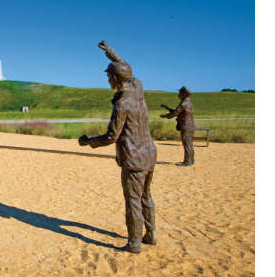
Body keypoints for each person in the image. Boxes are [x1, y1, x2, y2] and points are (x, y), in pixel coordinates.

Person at [78, 41, 157, 254]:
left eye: (108, 76)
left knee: (133, 200)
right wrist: (111, 52)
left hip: (134, 158)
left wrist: (89, 141)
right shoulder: (137, 87)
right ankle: (150, 234)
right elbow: (126, 66)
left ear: (115, 78)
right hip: (149, 153)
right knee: (146, 196)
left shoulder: (122, 104)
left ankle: (134, 243)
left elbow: (111, 136)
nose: (107, 79)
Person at [160, 86, 195, 166]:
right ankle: (191, 160)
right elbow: (178, 112)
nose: (178, 95)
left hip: (186, 126)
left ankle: (187, 162)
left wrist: (165, 116)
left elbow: (175, 113)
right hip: (189, 126)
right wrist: (167, 108)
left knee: (187, 144)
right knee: (189, 143)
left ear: (183, 94)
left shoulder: (184, 103)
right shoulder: (188, 102)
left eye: (179, 93)